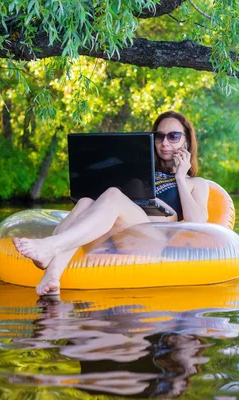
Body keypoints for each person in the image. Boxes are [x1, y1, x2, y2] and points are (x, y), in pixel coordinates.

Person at [13, 111, 210, 296]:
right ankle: (53, 275)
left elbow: (198, 222)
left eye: (173, 136)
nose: (165, 143)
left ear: (187, 140)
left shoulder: (196, 183)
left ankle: (50, 247)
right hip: (118, 233)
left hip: (153, 240)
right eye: (159, 136)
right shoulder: (144, 175)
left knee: (114, 195)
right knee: (85, 201)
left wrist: (180, 178)